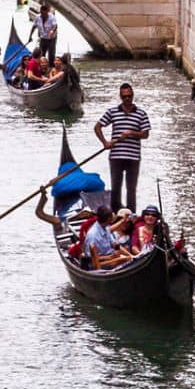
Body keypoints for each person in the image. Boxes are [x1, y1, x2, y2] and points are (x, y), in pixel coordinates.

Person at [95, 84, 151, 212]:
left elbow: (145, 134)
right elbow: (97, 127)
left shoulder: (141, 114)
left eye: (129, 96)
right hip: (116, 156)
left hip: (133, 157)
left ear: (133, 96)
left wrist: (131, 133)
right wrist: (105, 142)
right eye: (124, 96)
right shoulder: (112, 112)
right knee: (116, 187)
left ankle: (131, 215)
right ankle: (115, 214)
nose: (127, 99)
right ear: (120, 97)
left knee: (131, 189)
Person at [81, 204, 130, 269]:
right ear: (109, 219)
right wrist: (109, 257)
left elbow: (114, 245)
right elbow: (90, 258)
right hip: (97, 263)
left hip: (110, 257)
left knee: (128, 256)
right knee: (126, 260)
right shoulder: (92, 235)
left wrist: (130, 255)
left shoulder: (106, 228)